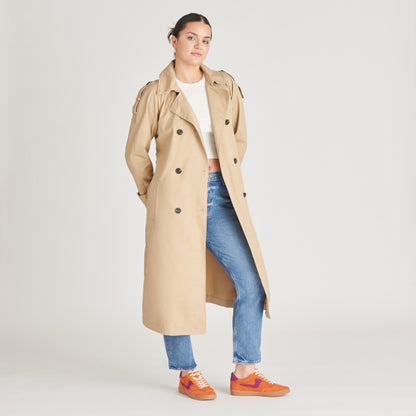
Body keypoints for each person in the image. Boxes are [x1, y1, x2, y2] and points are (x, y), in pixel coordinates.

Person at [125, 13, 290, 400]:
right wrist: (156, 196)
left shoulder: (223, 85)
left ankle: (246, 372)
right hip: (175, 202)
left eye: (206, 40)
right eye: (191, 38)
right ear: (174, 41)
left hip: (220, 195)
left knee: (251, 283)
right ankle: (187, 371)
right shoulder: (156, 93)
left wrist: (224, 176)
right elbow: (135, 153)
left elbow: (238, 140)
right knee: (175, 287)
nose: (199, 46)